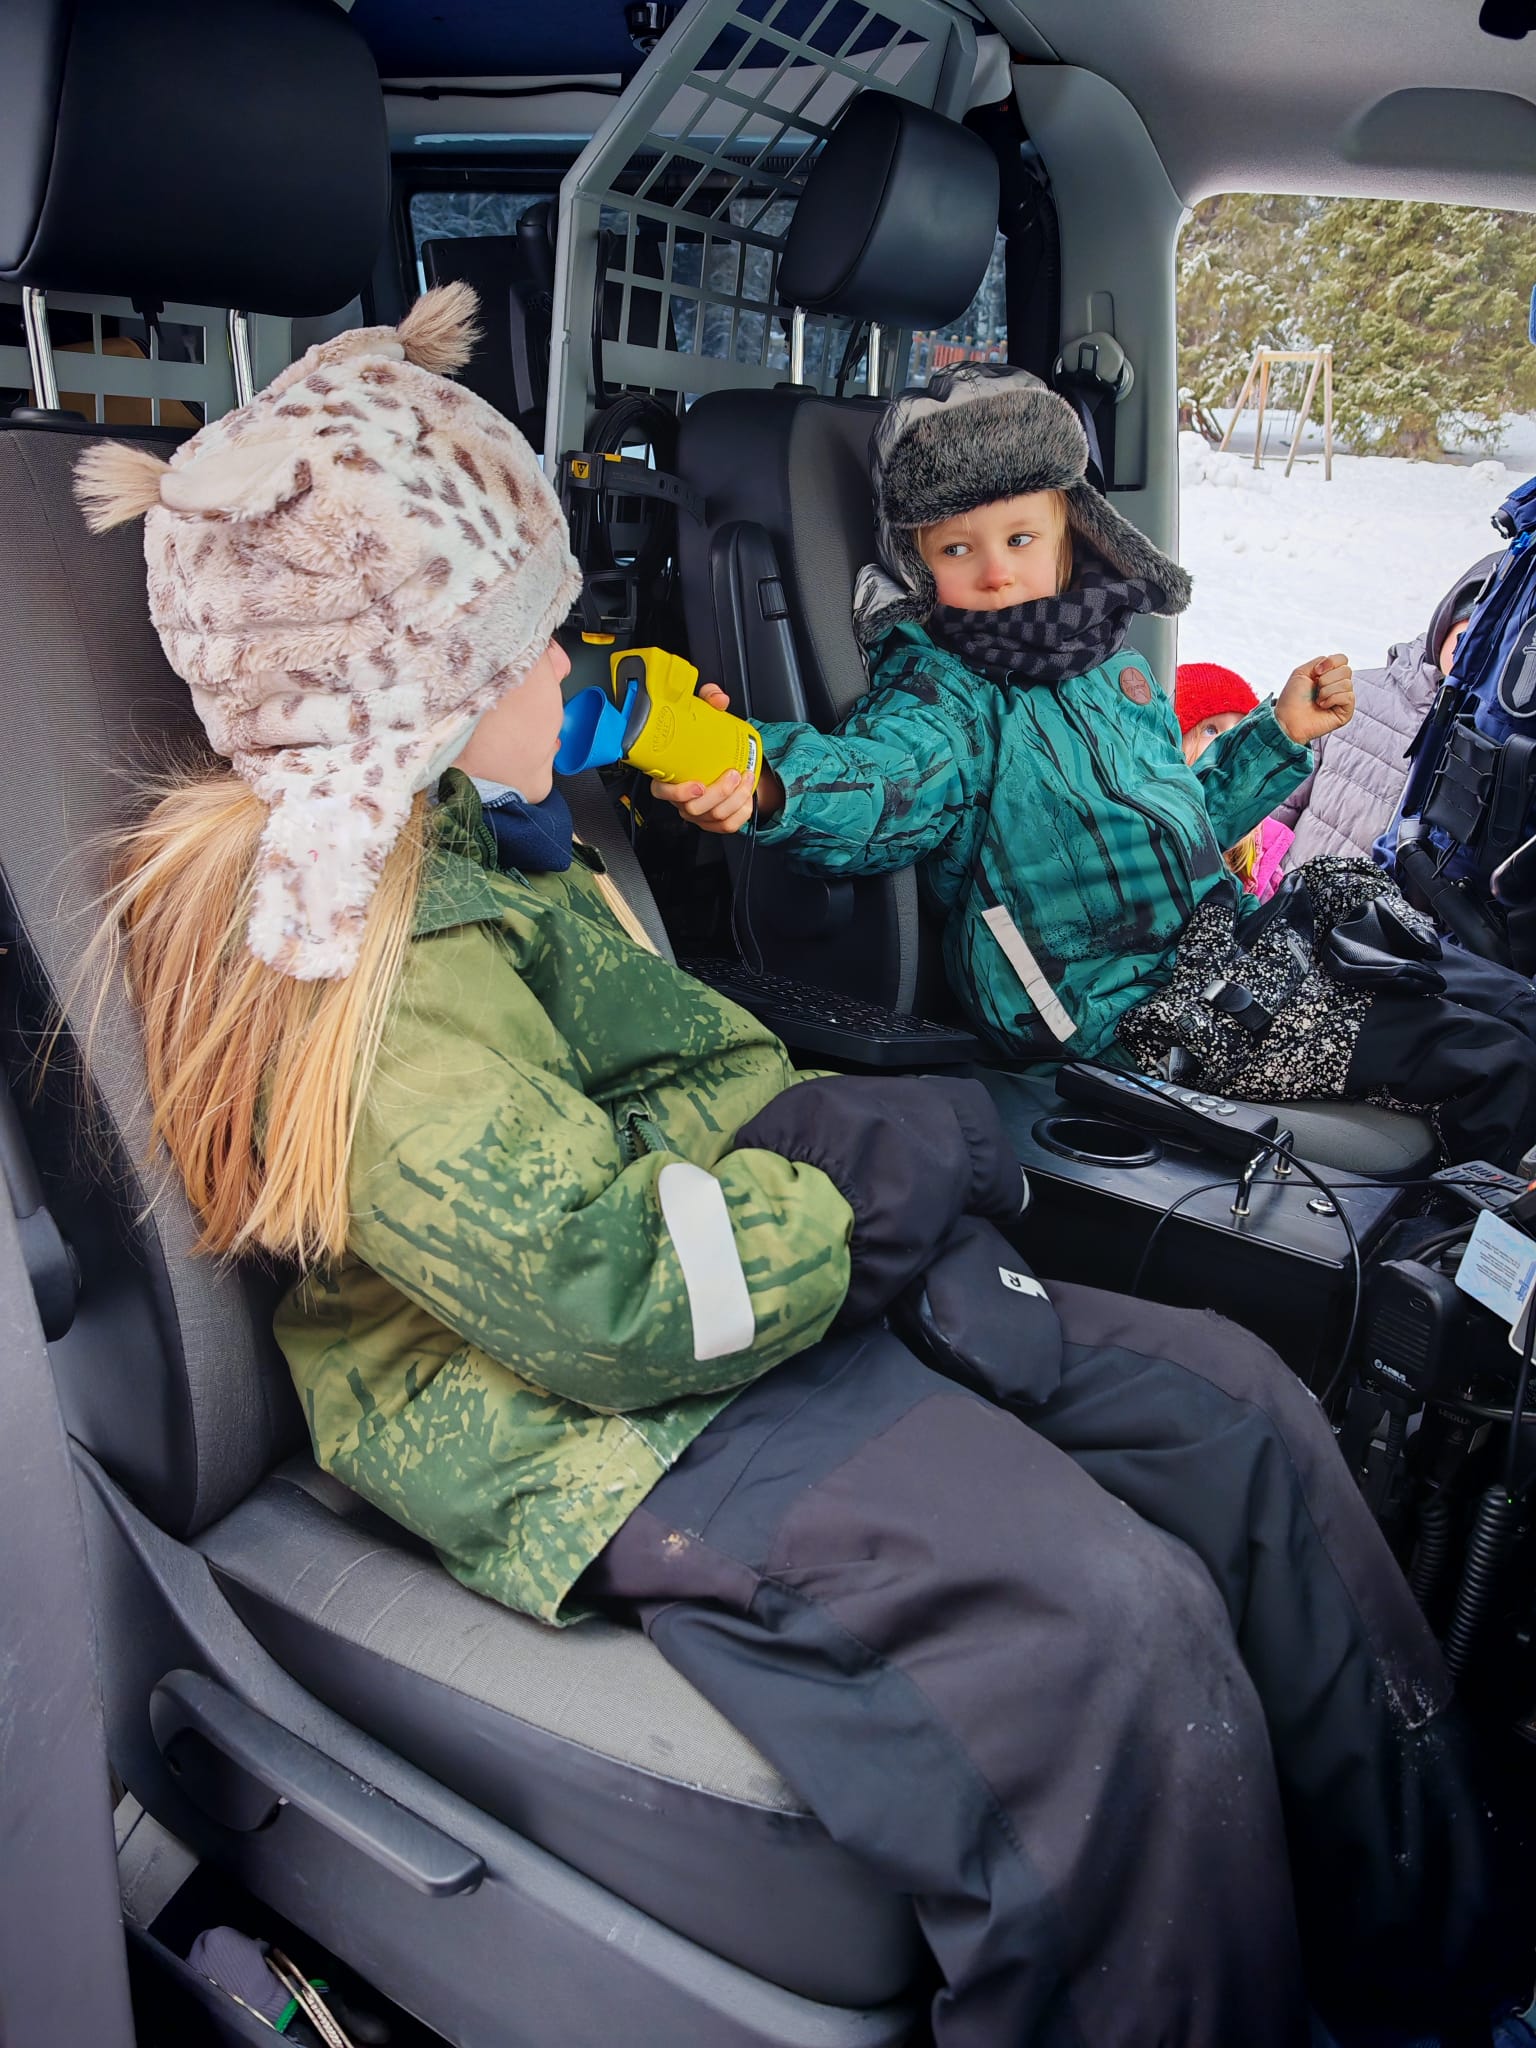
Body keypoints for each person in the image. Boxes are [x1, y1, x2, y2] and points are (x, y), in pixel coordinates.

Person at [77, 289, 1506, 2048]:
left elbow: (656, 1082)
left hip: (742, 1248)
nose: (573, 665)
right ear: (411, 691)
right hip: (590, 1414)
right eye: (530, 645)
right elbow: (600, 1292)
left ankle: (1430, 1967)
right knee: (1104, 1626)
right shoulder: (354, 966)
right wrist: (873, 1172)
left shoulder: (468, 836)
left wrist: (841, 1137)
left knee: (1235, 1410)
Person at [657, 364, 1536, 1170]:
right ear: (915, 562)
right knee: (1493, 1063)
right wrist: (760, 776)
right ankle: (1473, 1249)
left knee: (1505, 1002)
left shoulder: (1114, 668)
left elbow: (1181, 826)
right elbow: (882, 784)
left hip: (1222, 946)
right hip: (1115, 1010)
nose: (996, 573)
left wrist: (1278, 734)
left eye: (1020, 537)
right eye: (957, 549)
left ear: (1069, 534)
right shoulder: (948, 695)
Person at [1275, 557, 1499, 872]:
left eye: (1499, 636)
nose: (1474, 642)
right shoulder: (1354, 696)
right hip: (1288, 893)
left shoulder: (1505, 755)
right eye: (1472, 618)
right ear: (1448, 616)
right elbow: (1275, 813)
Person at [1176, 660, 1295, 899]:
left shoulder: (1264, 846)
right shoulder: (1161, 826)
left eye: (1242, 730)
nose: (1231, 740)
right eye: (1211, 729)